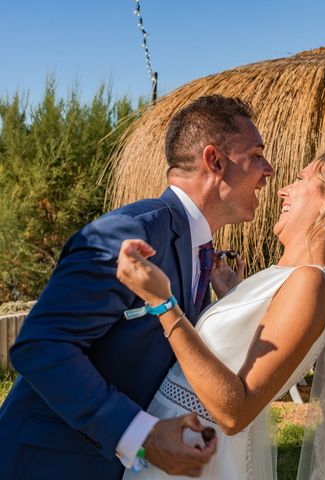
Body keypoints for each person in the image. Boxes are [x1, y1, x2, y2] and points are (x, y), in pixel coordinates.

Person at [0, 95, 273, 479]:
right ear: (215, 161)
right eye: (257, 154)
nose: (269, 169)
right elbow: (41, 346)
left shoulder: (201, 253)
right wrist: (139, 434)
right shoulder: (133, 231)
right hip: (50, 462)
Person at [116, 154, 325, 479]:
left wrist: (163, 303)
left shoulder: (311, 282)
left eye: (300, 178)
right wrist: (233, 297)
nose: (283, 190)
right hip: (179, 445)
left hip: (199, 458)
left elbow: (235, 412)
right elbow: (246, 353)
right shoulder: (295, 278)